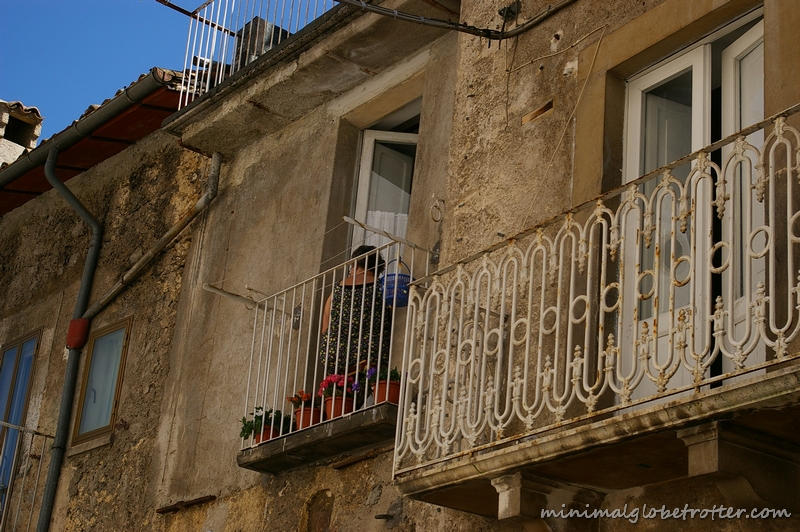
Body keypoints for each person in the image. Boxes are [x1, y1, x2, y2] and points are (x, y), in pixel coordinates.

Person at [319, 245, 392, 376]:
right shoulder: (382, 287)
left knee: (342, 394)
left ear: (357, 264)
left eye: (351, 267)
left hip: (335, 357)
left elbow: (325, 329)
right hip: (371, 354)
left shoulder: (336, 290)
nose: (350, 271)